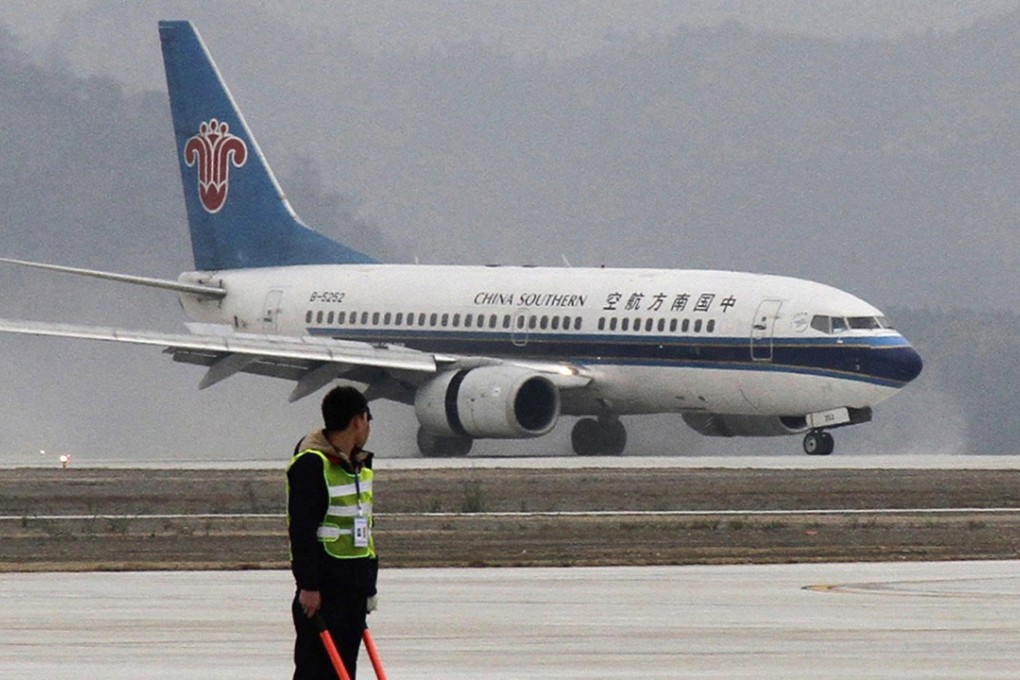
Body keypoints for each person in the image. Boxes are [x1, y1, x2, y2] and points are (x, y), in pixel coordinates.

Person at [287, 385, 378, 679]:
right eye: (367, 418)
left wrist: (369, 587)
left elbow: (364, 528)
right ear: (358, 421)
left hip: (353, 590)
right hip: (324, 592)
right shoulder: (312, 465)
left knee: (344, 672)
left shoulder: (358, 466)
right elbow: (301, 530)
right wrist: (309, 586)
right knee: (317, 671)